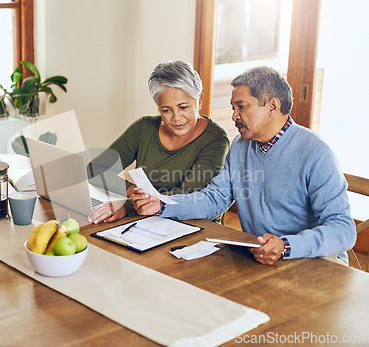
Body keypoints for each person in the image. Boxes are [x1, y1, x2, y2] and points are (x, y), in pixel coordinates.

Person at [131, 66, 356, 266]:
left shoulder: (316, 153)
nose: (234, 116)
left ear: (272, 106)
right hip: (262, 260)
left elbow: (343, 230)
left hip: (315, 263)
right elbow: (214, 199)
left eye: (241, 107)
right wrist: (162, 205)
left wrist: (286, 246)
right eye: (233, 108)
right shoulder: (240, 146)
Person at [87, 60, 230, 224]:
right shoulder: (143, 128)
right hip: (147, 221)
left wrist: (128, 206)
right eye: (166, 110)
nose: (176, 118)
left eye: (183, 107)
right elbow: (95, 170)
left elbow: (188, 196)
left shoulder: (216, 140)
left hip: (194, 226)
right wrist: (133, 192)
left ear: (200, 101)